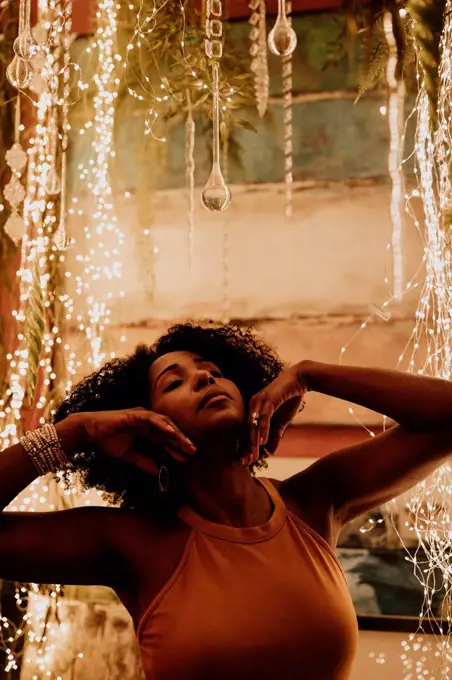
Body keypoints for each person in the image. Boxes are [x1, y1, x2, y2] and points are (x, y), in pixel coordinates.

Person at [1, 322, 452, 680]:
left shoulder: (314, 502)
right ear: (142, 421)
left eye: (215, 372)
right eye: (174, 382)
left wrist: (311, 374)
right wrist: (71, 434)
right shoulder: (132, 542)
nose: (203, 376)